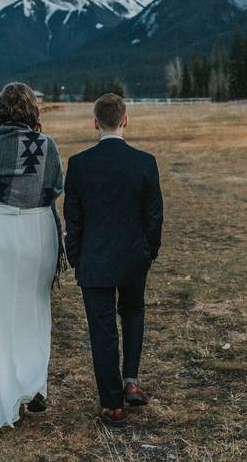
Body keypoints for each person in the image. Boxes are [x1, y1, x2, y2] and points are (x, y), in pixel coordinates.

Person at [0, 82, 65, 429]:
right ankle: (33, 387)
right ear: (32, 111)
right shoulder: (45, 146)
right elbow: (54, 188)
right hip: (37, 232)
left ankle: (2, 393)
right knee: (34, 310)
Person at [63, 93, 163, 426]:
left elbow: (73, 219)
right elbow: (154, 216)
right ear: (125, 120)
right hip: (134, 257)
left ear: (95, 123)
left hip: (94, 260)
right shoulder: (145, 162)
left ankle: (112, 403)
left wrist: (75, 257)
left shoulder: (79, 164)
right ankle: (130, 380)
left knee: (102, 330)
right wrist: (149, 252)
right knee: (133, 312)